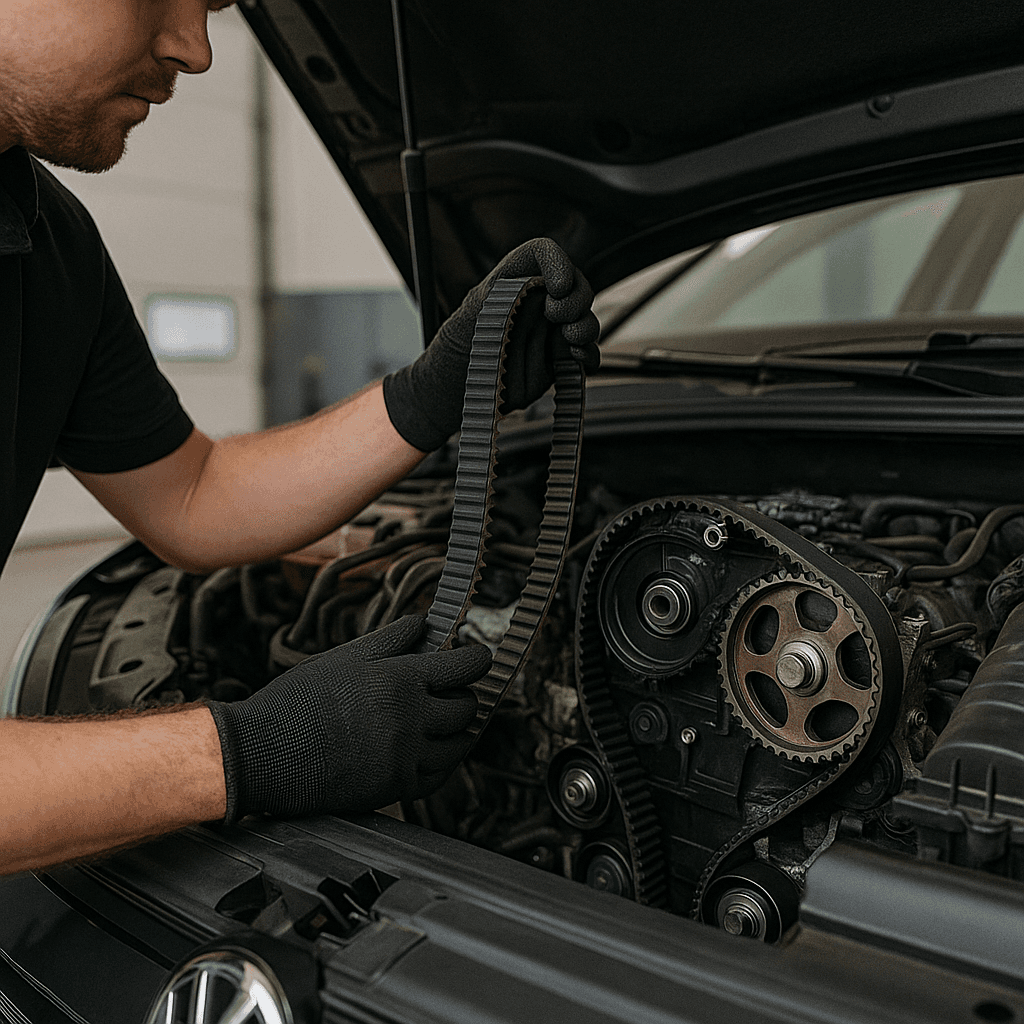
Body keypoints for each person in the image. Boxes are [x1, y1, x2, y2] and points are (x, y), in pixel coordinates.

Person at [0, 0, 599, 874]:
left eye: (209, 7)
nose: (195, 48)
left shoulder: (47, 247)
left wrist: (430, 396)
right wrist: (249, 752)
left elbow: (193, 495)